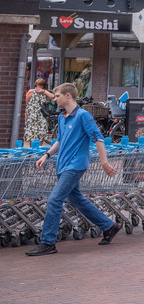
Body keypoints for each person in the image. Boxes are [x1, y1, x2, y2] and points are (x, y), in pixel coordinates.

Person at [25, 83, 119, 256]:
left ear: (68, 95)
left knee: (54, 200)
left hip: (75, 165)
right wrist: (46, 155)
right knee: (75, 199)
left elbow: (98, 138)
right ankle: (109, 226)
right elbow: (60, 141)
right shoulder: (62, 117)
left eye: (57, 96)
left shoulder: (83, 116)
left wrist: (104, 163)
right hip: (63, 165)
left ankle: (48, 243)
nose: (55, 99)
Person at [23, 77, 53, 144]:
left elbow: (52, 96)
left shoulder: (44, 93)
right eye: (38, 85)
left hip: (40, 114)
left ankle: (40, 146)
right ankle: (31, 147)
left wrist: (44, 91)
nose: (39, 87)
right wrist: (25, 114)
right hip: (31, 114)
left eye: (41, 85)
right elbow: (25, 103)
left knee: (42, 130)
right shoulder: (31, 92)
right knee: (31, 132)